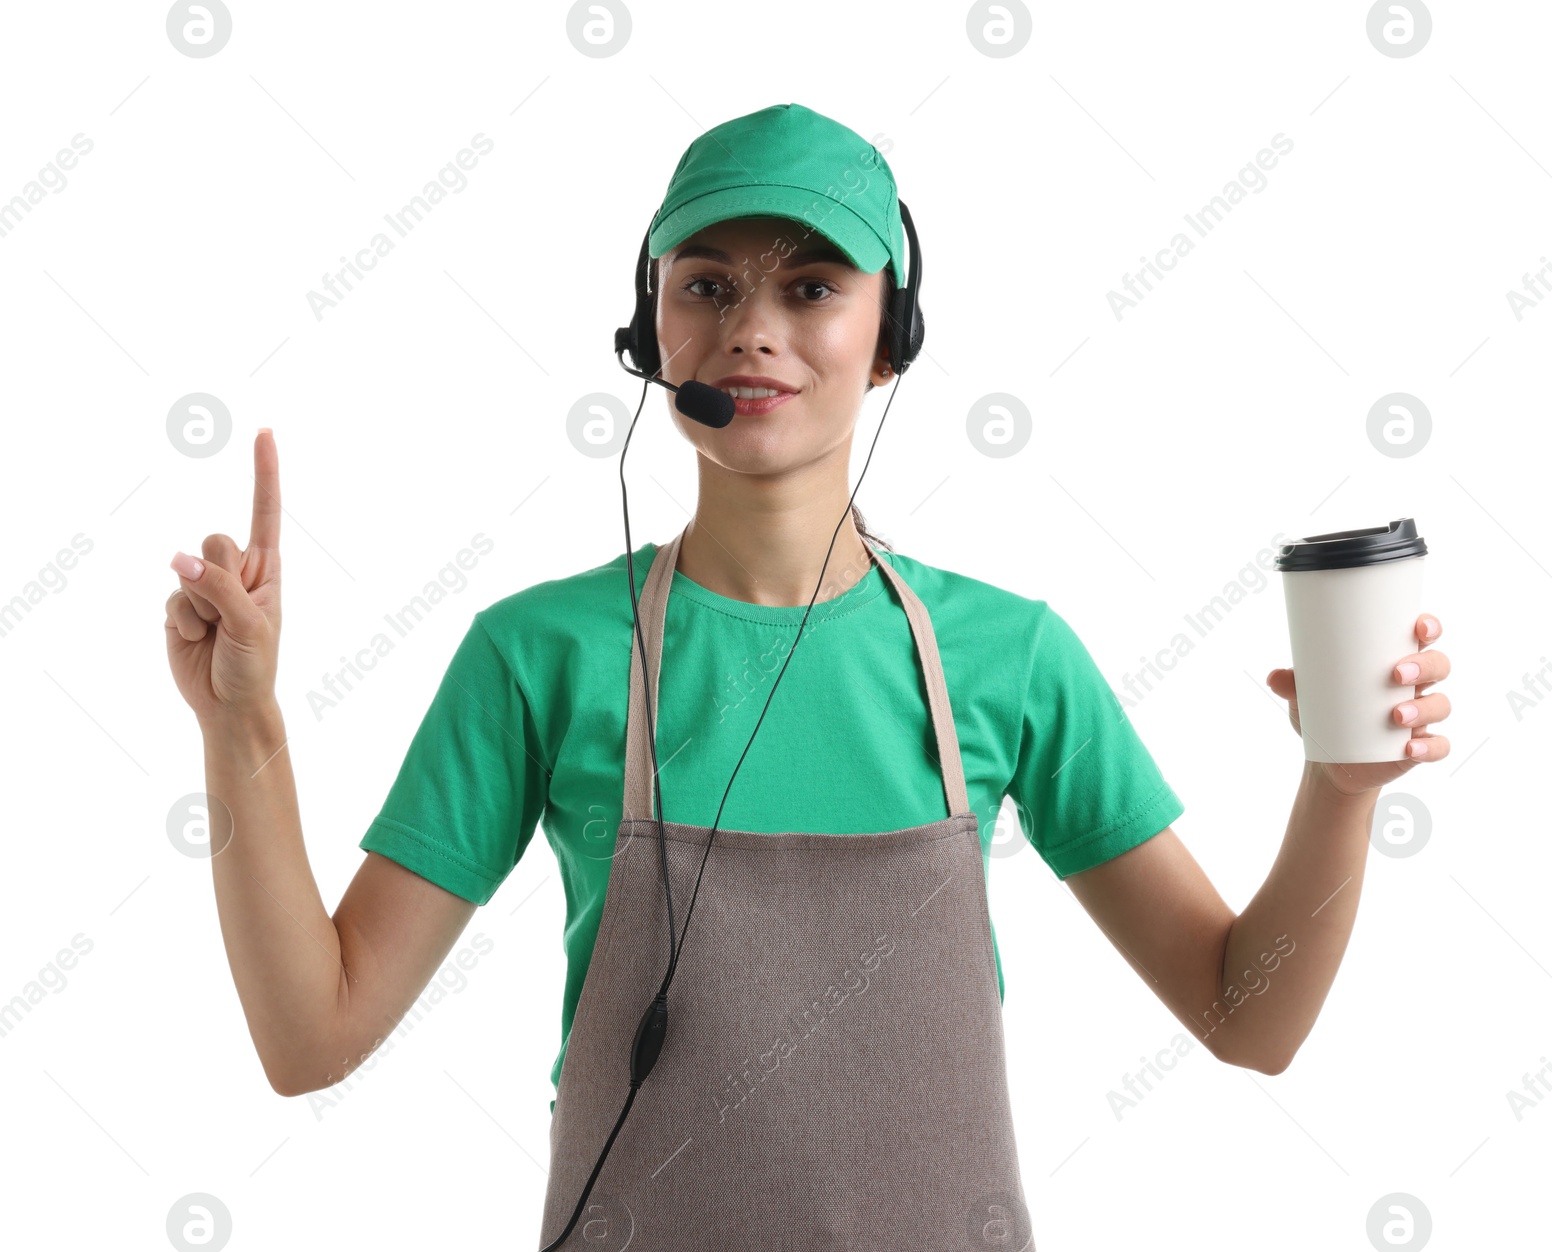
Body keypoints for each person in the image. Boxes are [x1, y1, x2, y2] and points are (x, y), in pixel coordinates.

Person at [164, 102, 1454, 1247]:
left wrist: (1343, 792)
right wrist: (245, 734)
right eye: (709, 285)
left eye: (814, 287)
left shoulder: (1008, 660)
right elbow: (310, 1038)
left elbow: (1249, 1020)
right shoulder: (536, 657)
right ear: (647, 326)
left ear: (890, 336)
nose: (752, 332)